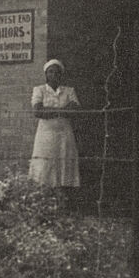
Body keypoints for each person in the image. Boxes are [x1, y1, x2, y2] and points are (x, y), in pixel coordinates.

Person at [29, 59, 81, 194]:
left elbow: (74, 109)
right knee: (45, 166)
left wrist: (50, 110)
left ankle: (62, 200)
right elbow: (38, 111)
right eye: (50, 72)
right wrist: (62, 110)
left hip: (64, 134)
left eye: (57, 72)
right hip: (46, 135)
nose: (54, 75)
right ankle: (45, 200)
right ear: (46, 74)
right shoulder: (39, 90)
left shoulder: (69, 91)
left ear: (61, 75)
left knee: (64, 164)